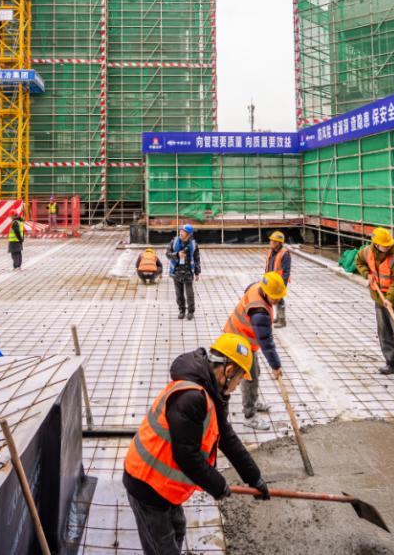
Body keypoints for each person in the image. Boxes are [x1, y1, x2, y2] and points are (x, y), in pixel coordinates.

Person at [123, 334, 271, 555]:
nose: (238, 386)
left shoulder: (210, 391)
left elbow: (227, 438)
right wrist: (218, 486)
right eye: (239, 380)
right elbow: (187, 457)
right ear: (228, 371)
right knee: (162, 547)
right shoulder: (191, 397)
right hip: (146, 484)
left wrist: (254, 478)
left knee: (178, 529)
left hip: (164, 485)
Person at [355, 228, 394, 387]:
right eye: (383, 245)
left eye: (387, 245)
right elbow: (359, 261)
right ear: (376, 244)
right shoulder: (367, 252)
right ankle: (392, 364)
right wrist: (366, 274)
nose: (386, 247)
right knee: (384, 332)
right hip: (378, 298)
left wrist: (390, 299)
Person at [222, 272, 287, 430]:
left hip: (243, 337)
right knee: (250, 377)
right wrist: (276, 366)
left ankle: (254, 400)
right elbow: (267, 343)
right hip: (239, 342)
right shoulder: (260, 313)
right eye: (275, 297)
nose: (277, 300)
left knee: (255, 372)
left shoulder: (257, 286)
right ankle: (249, 415)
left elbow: (248, 290)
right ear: (266, 292)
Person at [167, 225, 200, 320]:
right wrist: (177, 254)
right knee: (179, 294)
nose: (181, 233)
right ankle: (182, 310)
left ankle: (190, 312)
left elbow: (197, 259)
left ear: (189, 234)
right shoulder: (174, 242)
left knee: (190, 294)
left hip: (188, 272)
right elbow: (167, 254)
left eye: (183, 231)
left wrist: (197, 272)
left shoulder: (193, 245)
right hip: (176, 272)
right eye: (180, 231)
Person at [265, 231, 292, 328]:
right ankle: (277, 317)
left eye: (273, 241)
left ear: (278, 243)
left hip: (279, 282)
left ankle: (282, 320)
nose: (270, 242)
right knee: (274, 299)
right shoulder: (271, 251)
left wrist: (282, 285)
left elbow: (286, 271)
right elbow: (268, 267)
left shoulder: (285, 254)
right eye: (271, 240)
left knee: (279, 299)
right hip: (272, 281)